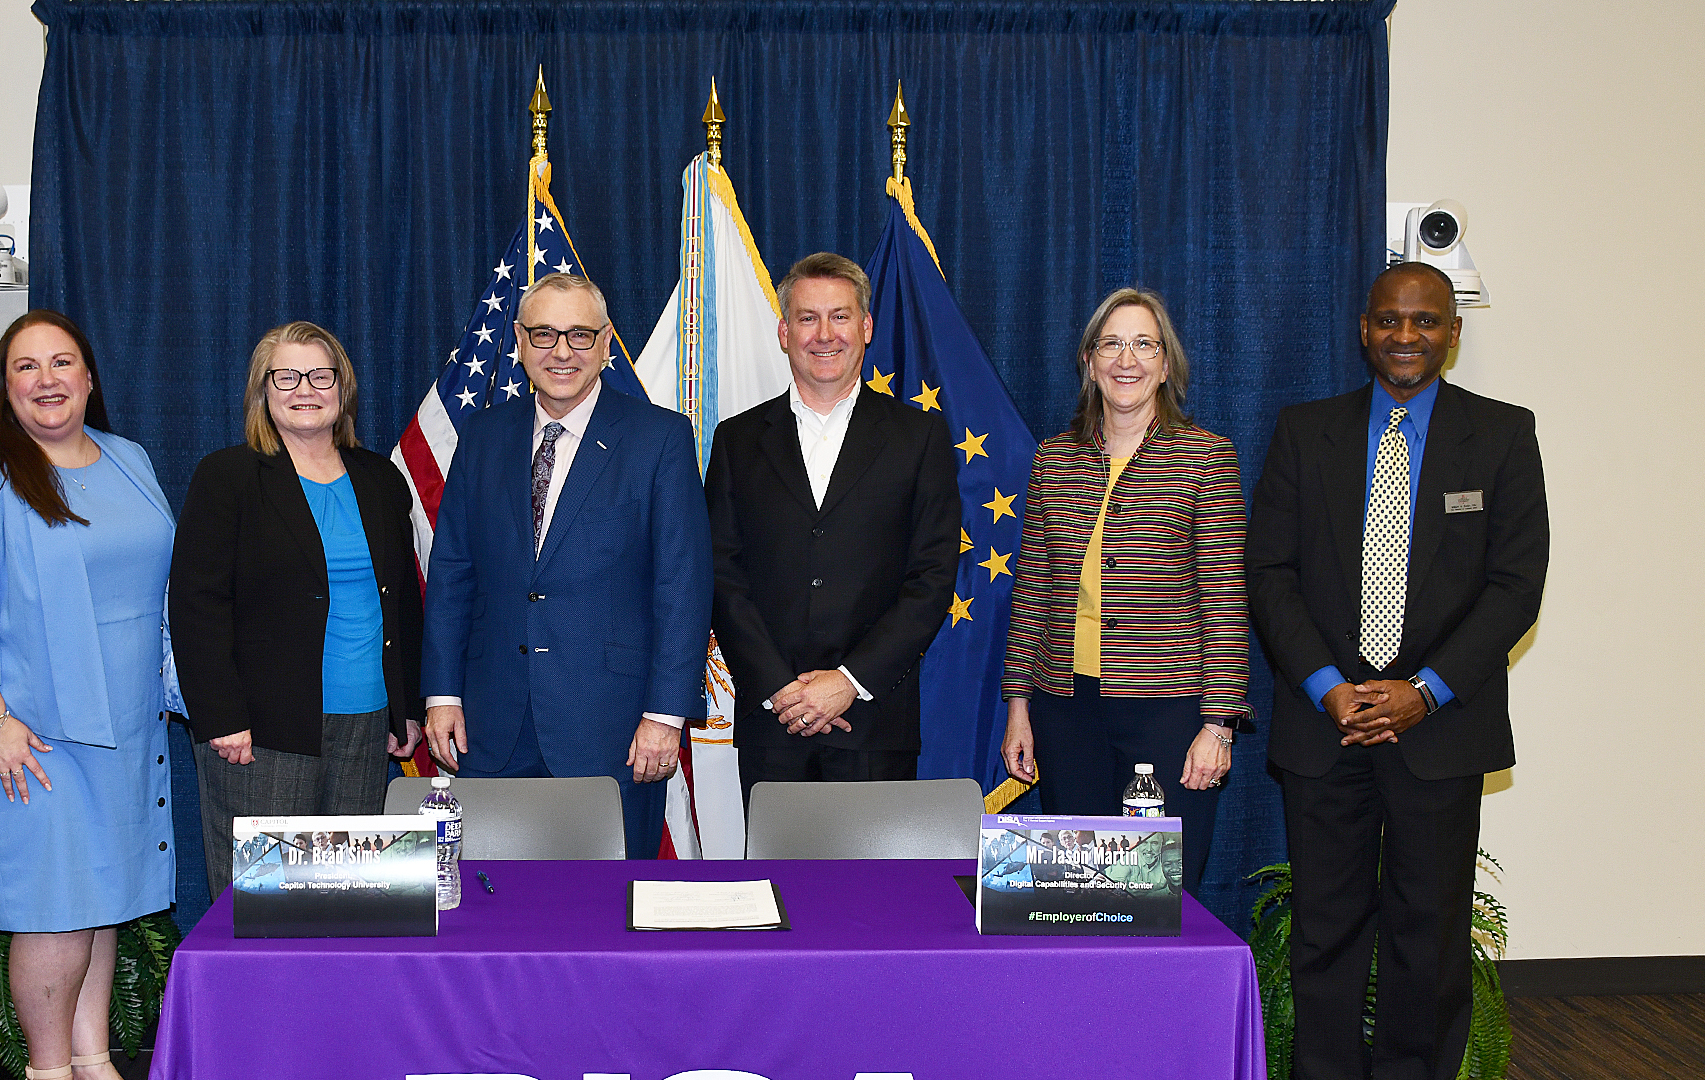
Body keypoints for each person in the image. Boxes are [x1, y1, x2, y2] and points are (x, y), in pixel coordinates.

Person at [1247, 262, 1548, 1080]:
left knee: (1429, 919)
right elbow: (1271, 574)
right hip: (1324, 720)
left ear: (1450, 332)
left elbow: (1514, 586)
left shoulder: (1501, 435)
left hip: (1439, 726)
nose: (1405, 335)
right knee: (1329, 919)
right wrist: (1333, 685)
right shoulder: (1308, 433)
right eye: (1388, 320)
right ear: (1365, 330)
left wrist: (1426, 689)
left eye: (1424, 321)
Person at [0, 310, 176, 1080]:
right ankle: (47, 1077)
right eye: (25, 367)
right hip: (26, 733)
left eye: (62, 362)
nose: (46, 379)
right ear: (5, 386)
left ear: (90, 377)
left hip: (125, 724)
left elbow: (162, 590)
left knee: (104, 902)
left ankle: (95, 1063)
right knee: (53, 911)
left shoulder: (129, 461)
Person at [420, 273, 711, 858]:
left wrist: (664, 714)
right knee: (492, 909)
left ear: (607, 344)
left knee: (608, 918)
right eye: (544, 334)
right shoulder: (481, 434)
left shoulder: (659, 438)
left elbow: (682, 586)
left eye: (579, 335)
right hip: (489, 722)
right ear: (520, 345)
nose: (561, 352)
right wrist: (442, 695)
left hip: (616, 729)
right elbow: (452, 570)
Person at [999, 287, 1249, 892]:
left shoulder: (1205, 457)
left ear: (1166, 364)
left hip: (1168, 714)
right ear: (1089, 362)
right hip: (1065, 709)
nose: (1125, 359)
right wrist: (1018, 707)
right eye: (1110, 344)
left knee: (1154, 896)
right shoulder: (1054, 460)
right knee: (1077, 894)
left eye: (1143, 344)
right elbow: (1033, 589)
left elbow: (1224, 600)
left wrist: (1219, 727)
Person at [169, 321, 425, 899]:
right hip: (261, 734)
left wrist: (403, 707)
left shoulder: (380, 479)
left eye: (319, 375)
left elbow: (402, 602)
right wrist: (220, 715)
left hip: (365, 725)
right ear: (263, 390)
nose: (303, 388)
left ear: (343, 389)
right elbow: (195, 605)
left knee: (351, 906)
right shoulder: (228, 477)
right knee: (266, 910)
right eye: (286, 376)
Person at [706, 253, 960, 808]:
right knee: (776, 893)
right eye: (807, 318)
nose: (825, 335)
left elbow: (932, 578)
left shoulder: (919, 438)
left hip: (875, 722)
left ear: (866, 328)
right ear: (783, 331)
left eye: (840, 317)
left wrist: (846, 682)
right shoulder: (736, 441)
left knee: (870, 897)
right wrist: (780, 688)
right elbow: (721, 575)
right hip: (775, 726)